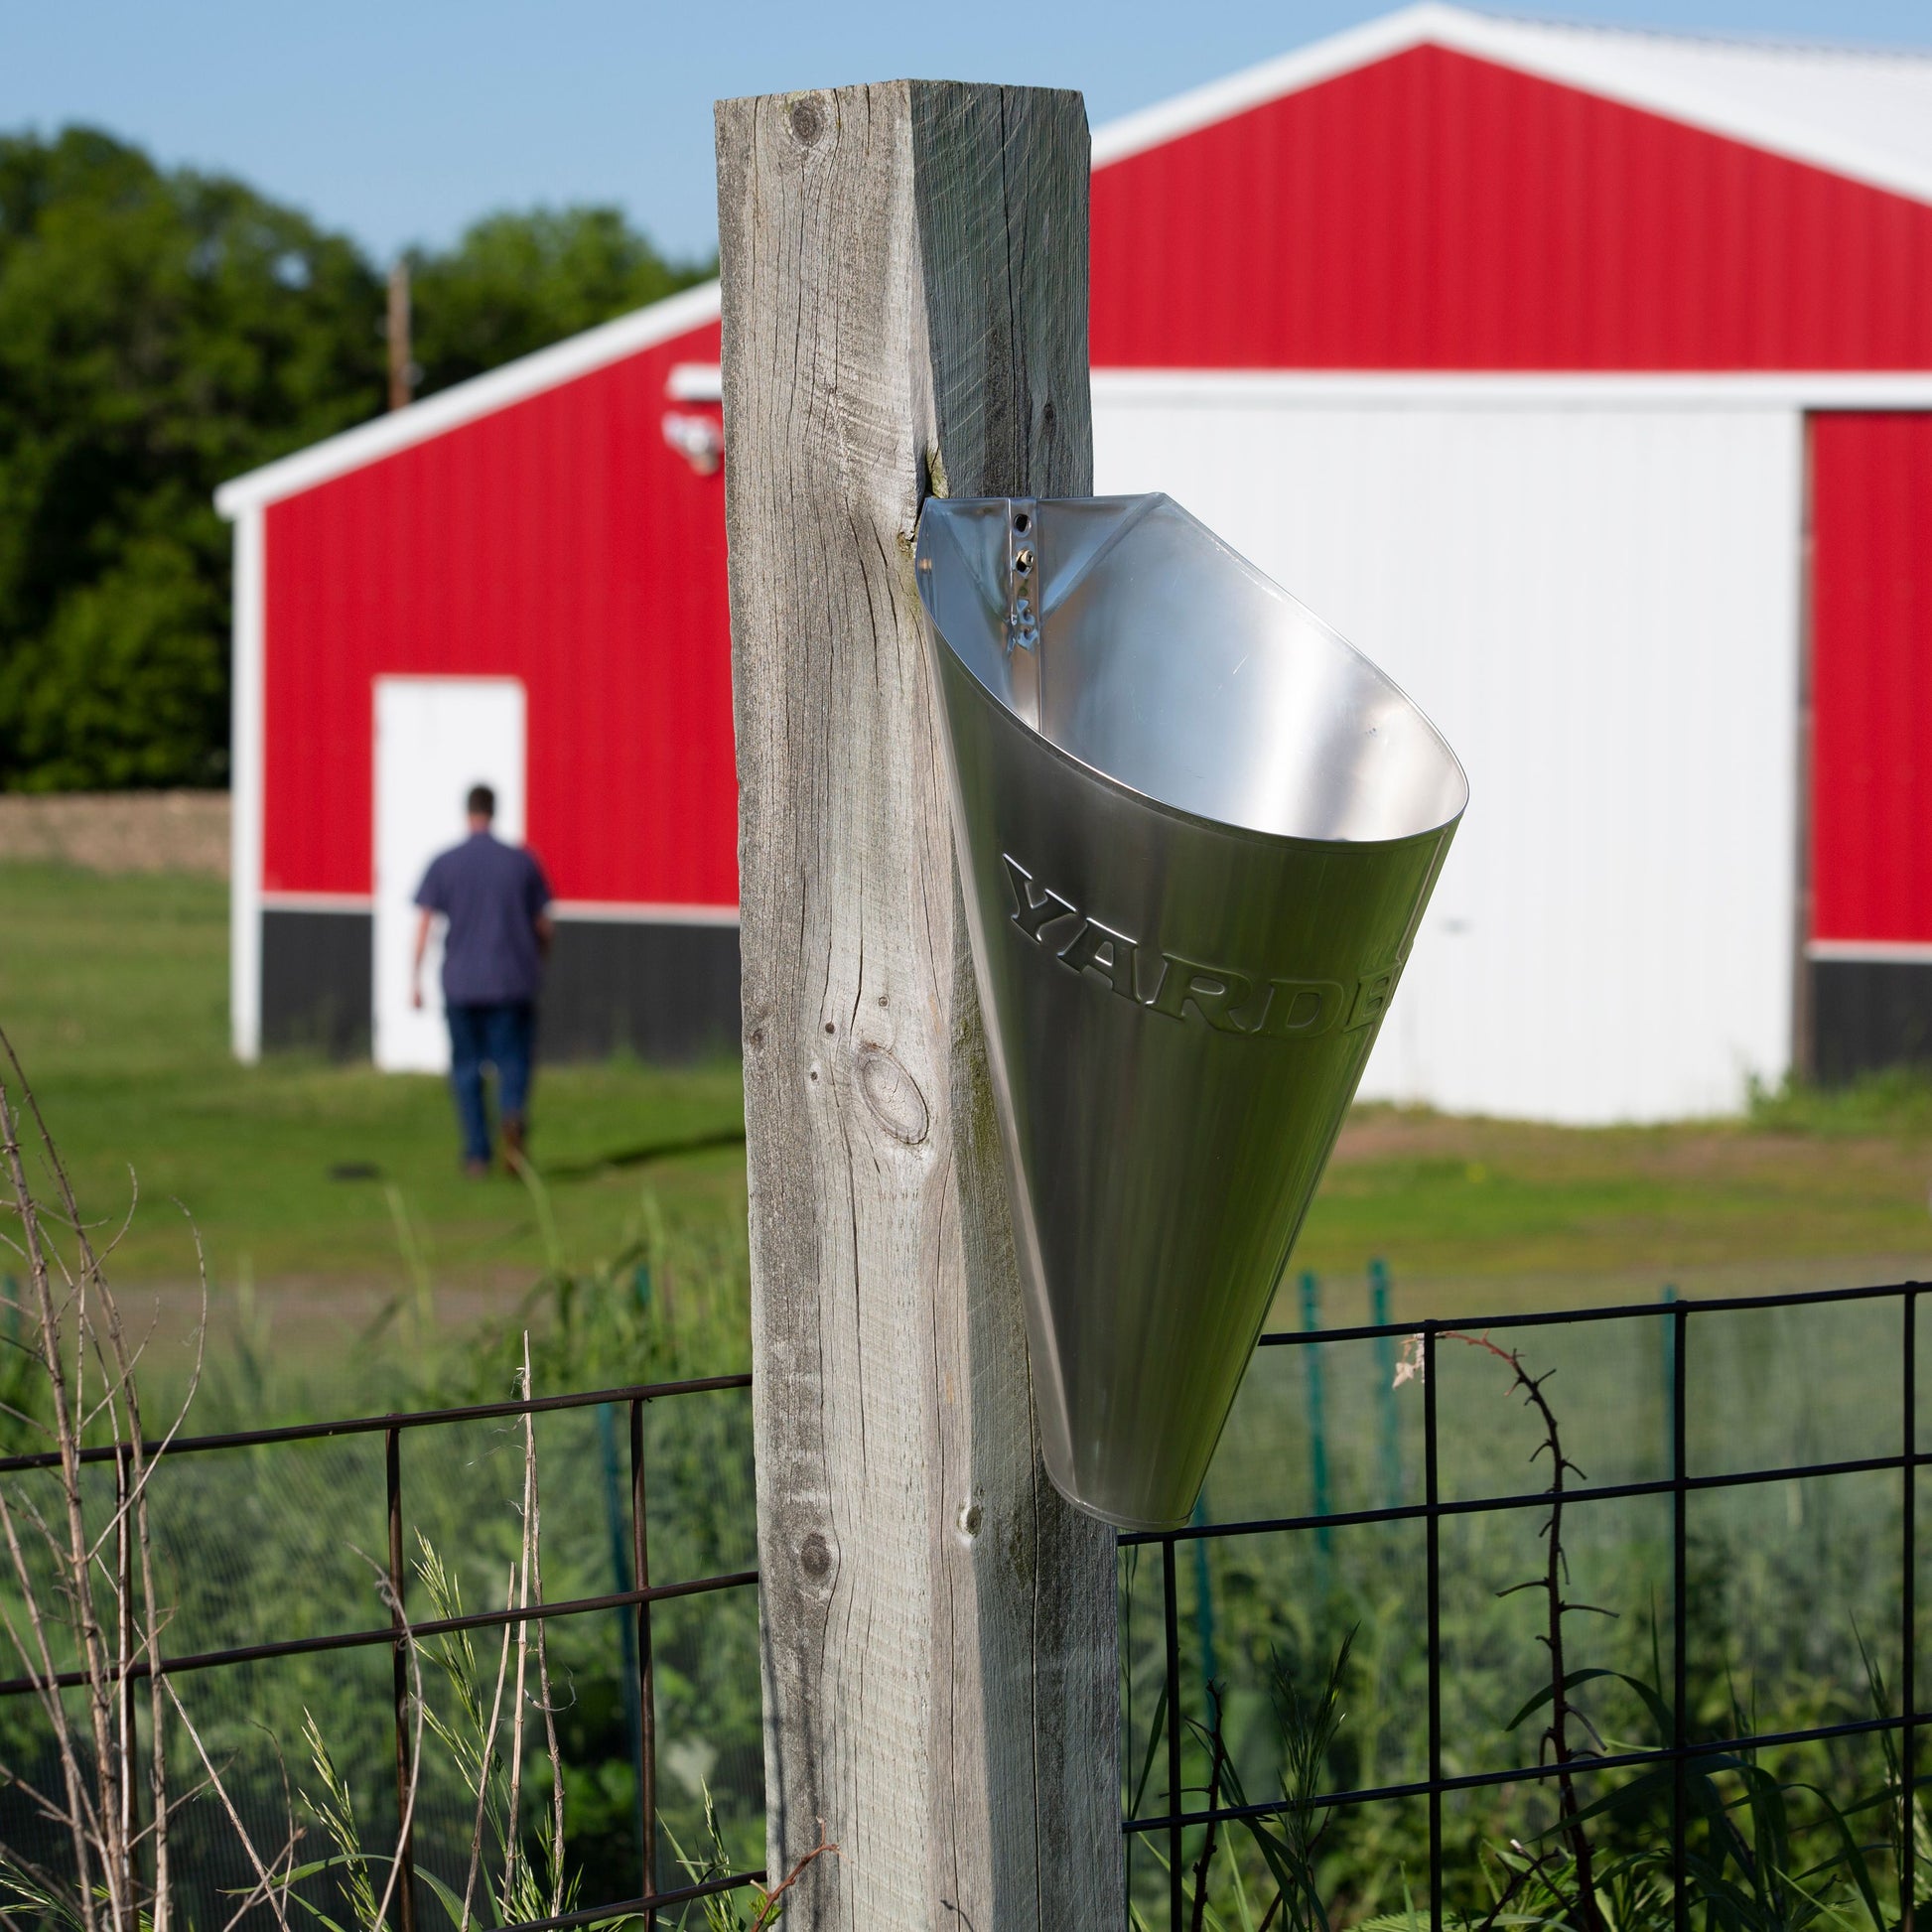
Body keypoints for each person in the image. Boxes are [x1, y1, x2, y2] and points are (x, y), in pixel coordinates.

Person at [411, 784, 554, 1174]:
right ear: (495, 810)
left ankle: (476, 1153)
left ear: (467, 812)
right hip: (512, 980)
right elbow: (544, 925)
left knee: (466, 1068)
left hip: (462, 982)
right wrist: (537, 963)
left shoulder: (446, 862)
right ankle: (511, 1120)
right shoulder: (521, 862)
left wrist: (415, 981)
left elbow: (424, 925)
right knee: (513, 1061)